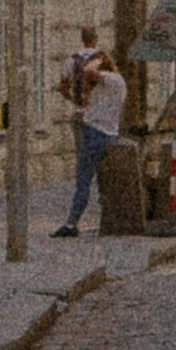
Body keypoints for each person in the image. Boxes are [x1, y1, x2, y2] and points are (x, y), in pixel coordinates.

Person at [56, 38, 129, 238]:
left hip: (96, 133)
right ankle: (110, 219)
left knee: (83, 180)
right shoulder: (116, 83)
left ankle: (71, 224)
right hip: (109, 133)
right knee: (103, 180)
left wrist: (93, 61)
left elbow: (88, 72)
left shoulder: (111, 79)